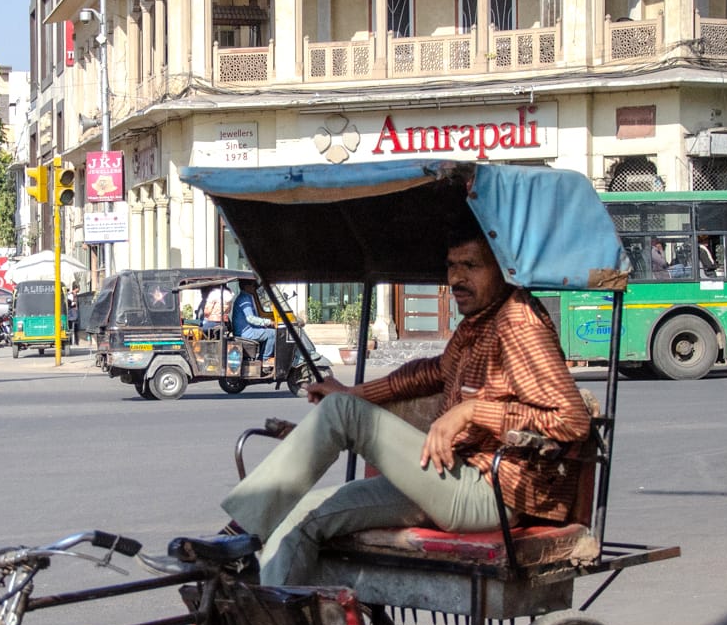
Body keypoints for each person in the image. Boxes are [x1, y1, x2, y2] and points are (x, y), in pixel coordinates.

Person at [219, 225, 591, 588]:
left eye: (471, 266)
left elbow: (571, 419)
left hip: (492, 493)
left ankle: (237, 536)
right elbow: (429, 373)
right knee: (302, 517)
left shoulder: (519, 324)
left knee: (344, 411)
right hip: (448, 478)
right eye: (452, 266)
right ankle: (271, 619)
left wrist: (473, 411)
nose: (456, 278)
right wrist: (353, 391)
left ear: (503, 269)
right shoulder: (478, 322)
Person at [229, 280, 278, 360]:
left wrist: (265, 324)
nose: (254, 288)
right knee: (272, 333)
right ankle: (265, 359)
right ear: (246, 287)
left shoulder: (246, 297)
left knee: (268, 330)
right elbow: (250, 318)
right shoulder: (244, 299)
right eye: (253, 285)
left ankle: (263, 356)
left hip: (247, 329)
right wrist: (269, 322)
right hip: (245, 332)